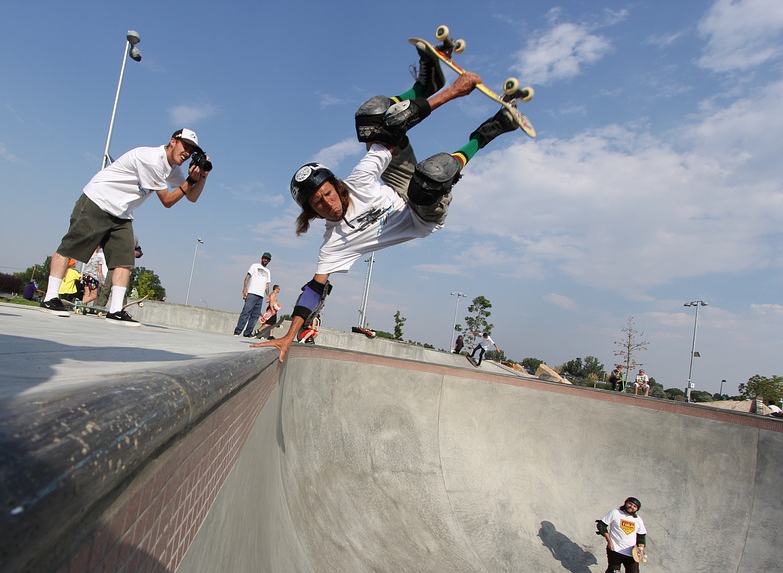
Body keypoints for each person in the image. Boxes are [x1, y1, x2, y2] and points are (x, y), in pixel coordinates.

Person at [255, 44, 519, 362]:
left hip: (398, 185)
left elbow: (395, 132)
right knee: (431, 174)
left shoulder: (360, 178)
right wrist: (288, 336)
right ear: (312, 212)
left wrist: (452, 92)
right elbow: (314, 290)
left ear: (336, 186)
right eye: (318, 203)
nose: (327, 203)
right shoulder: (332, 246)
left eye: (327, 193)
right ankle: (491, 129)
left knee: (372, 117)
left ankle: (425, 85)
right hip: (423, 215)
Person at [39, 129, 210, 326]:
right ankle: (50, 298)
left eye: (192, 150)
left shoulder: (172, 169)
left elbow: (192, 197)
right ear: (173, 141)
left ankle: (115, 310)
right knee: (70, 248)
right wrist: (190, 180)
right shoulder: (152, 159)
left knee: (124, 261)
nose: (187, 153)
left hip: (121, 213)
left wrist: (203, 176)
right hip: (98, 200)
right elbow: (167, 201)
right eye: (185, 146)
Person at [597, 497, 647, 573]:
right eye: (630, 504)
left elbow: (641, 537)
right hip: (615, 550)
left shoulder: (638, 520)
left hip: (631, 554)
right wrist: (609, 541)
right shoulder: (615, 513)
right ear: (626, 503)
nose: (631, 507)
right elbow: (601, 525)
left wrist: (641, 550)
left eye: (635, 506)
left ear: (636, 509)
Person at [234, 253, 272, 337]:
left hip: (260, 296)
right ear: (261, 258)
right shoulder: (255, 266)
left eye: (267, 259)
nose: (265, 260)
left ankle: (247, 333)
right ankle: (238, 331)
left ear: (269, 261)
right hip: (252, 293)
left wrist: (268, 295)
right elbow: (247, 277)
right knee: (246, 312)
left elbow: (267, 284)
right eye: (264, 258)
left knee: (255, 316)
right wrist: (245, 288)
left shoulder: (268, 271)